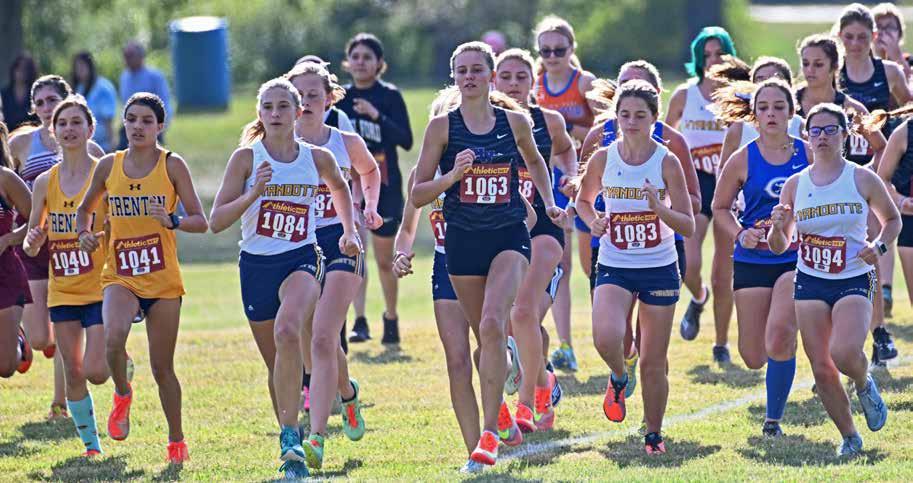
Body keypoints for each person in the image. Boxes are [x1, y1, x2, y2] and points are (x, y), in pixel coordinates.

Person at [412, 41, 564, 467]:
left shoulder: (515, 122)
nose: (469, 77)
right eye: (462, 71)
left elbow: (537, 162)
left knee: (494, 322)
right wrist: (453, 176)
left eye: (477, 69)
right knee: (485, 340)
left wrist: (549, 202)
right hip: (462, 243)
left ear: (490, 76)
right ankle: (505, 382)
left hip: (508, 236)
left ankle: (489, 433)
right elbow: (418, 193)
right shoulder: (441, 128)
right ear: (454, 76)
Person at [209, 78, 357, 478]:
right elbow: (216, 221)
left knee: (288, 330)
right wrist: (253, 193)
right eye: (268, 107)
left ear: (298, 112)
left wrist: (349, 231)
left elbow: (341, 188)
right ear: (259, 113)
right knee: (277, 363)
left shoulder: (317, 157)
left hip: (302, 259)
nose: (275, 113)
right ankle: (289, 437)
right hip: (256, 266)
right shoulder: (246, 158)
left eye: (283, 107)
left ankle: (295, 437)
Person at [76, 92, 208, 464]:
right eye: (131, 119)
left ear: (160, 126)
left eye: (147, 121)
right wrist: (84, 233)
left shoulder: (172, 165)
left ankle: (176, 441)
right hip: (120, 274)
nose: (138, 127)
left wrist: (173, 220)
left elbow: (201, 221)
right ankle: (122, 392)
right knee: (113, 339)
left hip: (162, 280)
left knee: (162, 368)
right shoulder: (109, 165)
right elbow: (84, 210)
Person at [768, 103, 900, 456]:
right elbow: (779, 245)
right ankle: (850, 437)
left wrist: (878, 247)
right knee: (822, 368)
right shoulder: (795, 185)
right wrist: (777, 228)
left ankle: (863, 381)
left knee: (843, 352)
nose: (822, 137)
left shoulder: (861, 178)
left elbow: (893, 220)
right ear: (806, 137)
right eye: (816, 131)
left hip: (853, 276)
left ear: (845, 135)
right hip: (811, 280)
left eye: (830, 130)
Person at [577, 80, 694, 455]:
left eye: (640, 115)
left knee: (653, 361)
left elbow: (688, 224)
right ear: (616, 118)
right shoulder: (603, 158)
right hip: (615, 263)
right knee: (605, 337)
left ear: (654, 119)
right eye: (625, 115)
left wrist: (659, 209)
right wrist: (594, 221)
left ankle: (653, 434)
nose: (631, 122)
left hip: (659, 266)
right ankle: (618, 375)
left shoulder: (667, 161)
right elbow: (583, 201)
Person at [286, 63, 382, 471]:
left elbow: (370, 170)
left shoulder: (344, 141)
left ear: (329, 98)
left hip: (343, 240)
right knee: (313, 339)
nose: (307, 102)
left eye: (314, 94)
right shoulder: (278, 145)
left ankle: (316, 437)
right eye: (300, 96)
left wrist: (368, 208)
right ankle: (348, 392)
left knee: (325, 336)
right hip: (298, 245)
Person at [712, 78, 812, 437]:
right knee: (754, 356)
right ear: (754, 115)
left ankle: (773, 420)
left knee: (780, 334)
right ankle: (783, 355)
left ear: (792, 112)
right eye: (764, 108)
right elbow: (720, 208)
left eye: (779, 107)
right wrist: (742, 233)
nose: (771, 114)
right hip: (752, 259)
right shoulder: (743, 158)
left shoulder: (808, 154)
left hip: (795, 258)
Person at [22, 96, 115, 457]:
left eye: (76, 123)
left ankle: (119, 362)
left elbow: (119, 229)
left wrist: (98, 238)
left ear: (90, 129)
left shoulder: (104, 175)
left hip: (101, 287)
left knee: (96, 371)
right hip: (62, 290)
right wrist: (33, 241)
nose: (69, 129)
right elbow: (32, 242)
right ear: (53, 131)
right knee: (74, 372)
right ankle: (92, 446)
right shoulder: (44, 182)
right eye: (62, 123)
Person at [9, 75, 104, 420]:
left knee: (67, 328)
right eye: (40, 103)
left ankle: (59, 403)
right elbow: (10, 189)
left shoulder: (92, 150)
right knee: (39, 339)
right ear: (34, 109)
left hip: (76, 248)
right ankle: (27, 339)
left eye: (53, 100)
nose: (47, 108)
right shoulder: (21, 143)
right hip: (36, 244)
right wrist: (18, 233)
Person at [494, 48, 575, 433]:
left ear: (533, 81)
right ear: (494, 80)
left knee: (523, 313)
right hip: (501, 227)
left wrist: (571, 180)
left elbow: (567, 150)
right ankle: (545, 380)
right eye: (506, 76)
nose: (513, 84)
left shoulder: (549, 121)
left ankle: (527, 404)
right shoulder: (481, 122)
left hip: (544, 225)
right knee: (520, 326)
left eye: (521, 77)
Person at [834, 5, 905, 365]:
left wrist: (889, 162)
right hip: (837, 175)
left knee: (872, 248)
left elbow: (908, 112)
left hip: (878, 171)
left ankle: (879, 331)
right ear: (840, 38)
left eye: (863, 37)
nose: (856, 43)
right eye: (849, 37)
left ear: (873, 37)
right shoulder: (833, 76)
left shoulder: (888, 72)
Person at [666, 26, 737, 363]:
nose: (713, 60)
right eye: (706, 55)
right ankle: (698, 298)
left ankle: (721, 343)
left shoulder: (740, 97)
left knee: (723, 272)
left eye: (719, 53)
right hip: (696, 181)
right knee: (690, 264)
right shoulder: (685, 95)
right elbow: (663, 135)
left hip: (729, 182)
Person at [336, 33, 412, 344]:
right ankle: (360, 320)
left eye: (367, 57)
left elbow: (406, 140)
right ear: (347, 62)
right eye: (355, 56)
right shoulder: (340, 98)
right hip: (348, 187)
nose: (360, 62)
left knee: (383, 259)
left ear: (379, 63)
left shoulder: (389, 96)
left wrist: (376, 116)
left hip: (385, 187)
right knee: (356, 254)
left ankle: (391, 317)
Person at [533, 15, 594, 373]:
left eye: (559, 49)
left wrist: (566, 127)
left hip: (582, 174)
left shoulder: (584, 83)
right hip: (548, 176)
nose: (553, 56)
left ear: (572, 49)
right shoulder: (534, 84)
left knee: (582, 264)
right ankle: (565, 344)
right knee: (559, 264)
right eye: (546, 51)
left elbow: (605, 127)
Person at [0, 121, 34, 378]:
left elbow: (37, 218)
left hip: (6, 274)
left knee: (5, 367)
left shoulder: (6, 178)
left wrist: (9, 239)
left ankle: (18, 340)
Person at [118, 41, 172, 150]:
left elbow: (165, 103)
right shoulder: (124, 77)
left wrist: (161, 127)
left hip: (150, 125)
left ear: (141, 56)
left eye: (130, 56)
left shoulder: (155, 77)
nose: (127, 59)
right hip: (130, 126)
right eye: (125, 56)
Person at [72, 52, 118, 152]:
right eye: (77, 67)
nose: (79, 70)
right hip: (84, 146)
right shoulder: (79, 87)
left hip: (104, 146)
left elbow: (108, 120)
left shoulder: (103, 88)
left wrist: (112, 145)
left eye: (82, 66)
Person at [872, 3, 913, 80]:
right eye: (878, 27)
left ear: (899, 33)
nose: (883, 32)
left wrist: (897, 57)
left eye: (890, 27)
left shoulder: (910, 61)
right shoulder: (864, 64)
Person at [1, 53, 39, 129]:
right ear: (13, 69)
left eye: (25, 69)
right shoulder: (3, 94)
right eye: (19, 68)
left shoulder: (37, 94)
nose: (22, 72)